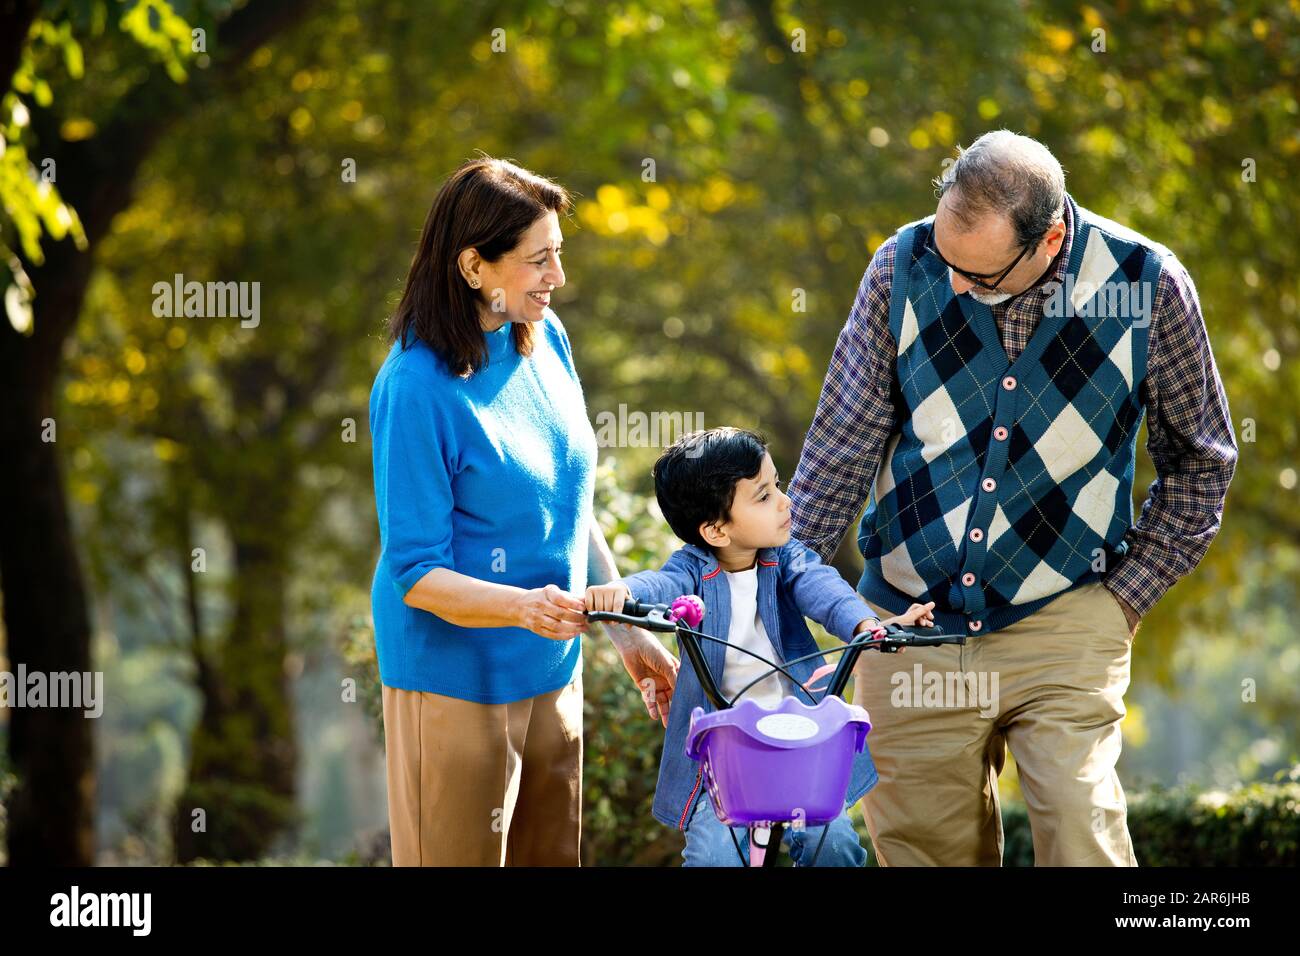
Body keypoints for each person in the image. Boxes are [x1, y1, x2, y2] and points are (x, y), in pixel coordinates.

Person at [787, 129, 1238, 865]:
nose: (960, 286)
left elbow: (1201, 463)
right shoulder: (900, 266)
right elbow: (840, 450)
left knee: (1080, 831)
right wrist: (777, 587)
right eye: (950, 263)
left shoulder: (1147, 286)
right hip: (906, 623)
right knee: (925, 855)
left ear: (1051, 238)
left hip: (1065, 612)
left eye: (984, 277)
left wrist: (1123, 599)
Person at [370, 156, 678, 866]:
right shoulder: (414, 388)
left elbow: (570, 505)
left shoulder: (543, 339)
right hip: (455, 689)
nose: (557, 279)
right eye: (538, 261)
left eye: (557, 256)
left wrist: (622, 631)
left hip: (550, 675)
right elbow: (415, 572)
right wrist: (521, 608)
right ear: (474, 266)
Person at [585, 426, 935, 866]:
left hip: (799, 746)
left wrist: (864, 624)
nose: (785, 502)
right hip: (724, 755)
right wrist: (620, 591)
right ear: (715, 530)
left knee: (836, 846)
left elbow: (822, 589)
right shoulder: (692, 570)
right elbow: (661, 584)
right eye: (764, 496)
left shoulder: (786, 559)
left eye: (778, 486)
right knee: (715, 856)